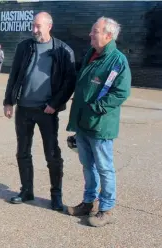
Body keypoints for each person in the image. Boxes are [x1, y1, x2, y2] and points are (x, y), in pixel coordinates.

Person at [3, 12, 76, 211]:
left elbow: (69, 83)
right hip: (24, 108)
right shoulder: (24, 47)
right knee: (23, 152)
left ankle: (56, 196)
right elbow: (14, 75)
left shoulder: (63, 50)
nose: (34, 30)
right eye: (32, 26)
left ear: (49, 26)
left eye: (38, 26)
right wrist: (8, 101)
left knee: (52, 154)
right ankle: (26, 191)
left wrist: (55, 103)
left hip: (47, 111)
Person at [66, 17, 131, 227]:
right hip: (84, 122)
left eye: (95, 31)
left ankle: (106, 209)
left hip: (100, 124)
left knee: (104, 168)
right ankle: (88, 203)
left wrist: (97, 108)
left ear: (108, 35)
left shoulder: (117, 61)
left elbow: (121, 92)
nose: (90, 34)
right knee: (87, 165)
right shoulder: (91, 54)